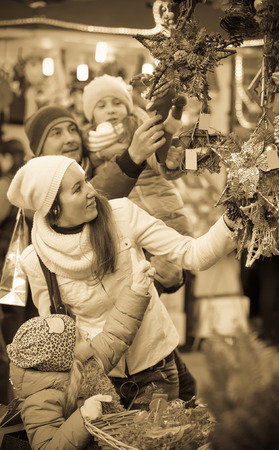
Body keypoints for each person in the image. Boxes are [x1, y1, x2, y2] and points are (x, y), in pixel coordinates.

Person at [7, 155, 237, 409]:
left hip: (156, 368)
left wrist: (232, 221)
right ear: (54, 208)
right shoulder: (36, 261)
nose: (91, 191)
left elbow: (192, 254)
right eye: (78, 189)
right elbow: (58, 335)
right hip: (100, 382)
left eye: (85, 181)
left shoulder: (122, 215)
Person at [7, 300, 153, 450]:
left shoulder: (87, 363)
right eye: (81, 337)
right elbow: (46, 447)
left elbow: (116, 332)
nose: (88, 335)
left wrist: (137, 288)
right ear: (65, 357)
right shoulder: (40, 401)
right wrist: (83, 417)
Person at [82, 74, 191, 236]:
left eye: (117, 103)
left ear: (128, 107)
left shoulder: (139, 130)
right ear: (91, 116)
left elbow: (155, 156)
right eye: (101, 106)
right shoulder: (87, 145)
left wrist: (167, 162)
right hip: (128, 226)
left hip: (165, 212)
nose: (110, 110)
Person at [0, 139, 25, 405]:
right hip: (18, 266)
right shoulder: (21, 183)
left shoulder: (6, 182)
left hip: (7, 267)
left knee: (10, 329)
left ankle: (11, 401)